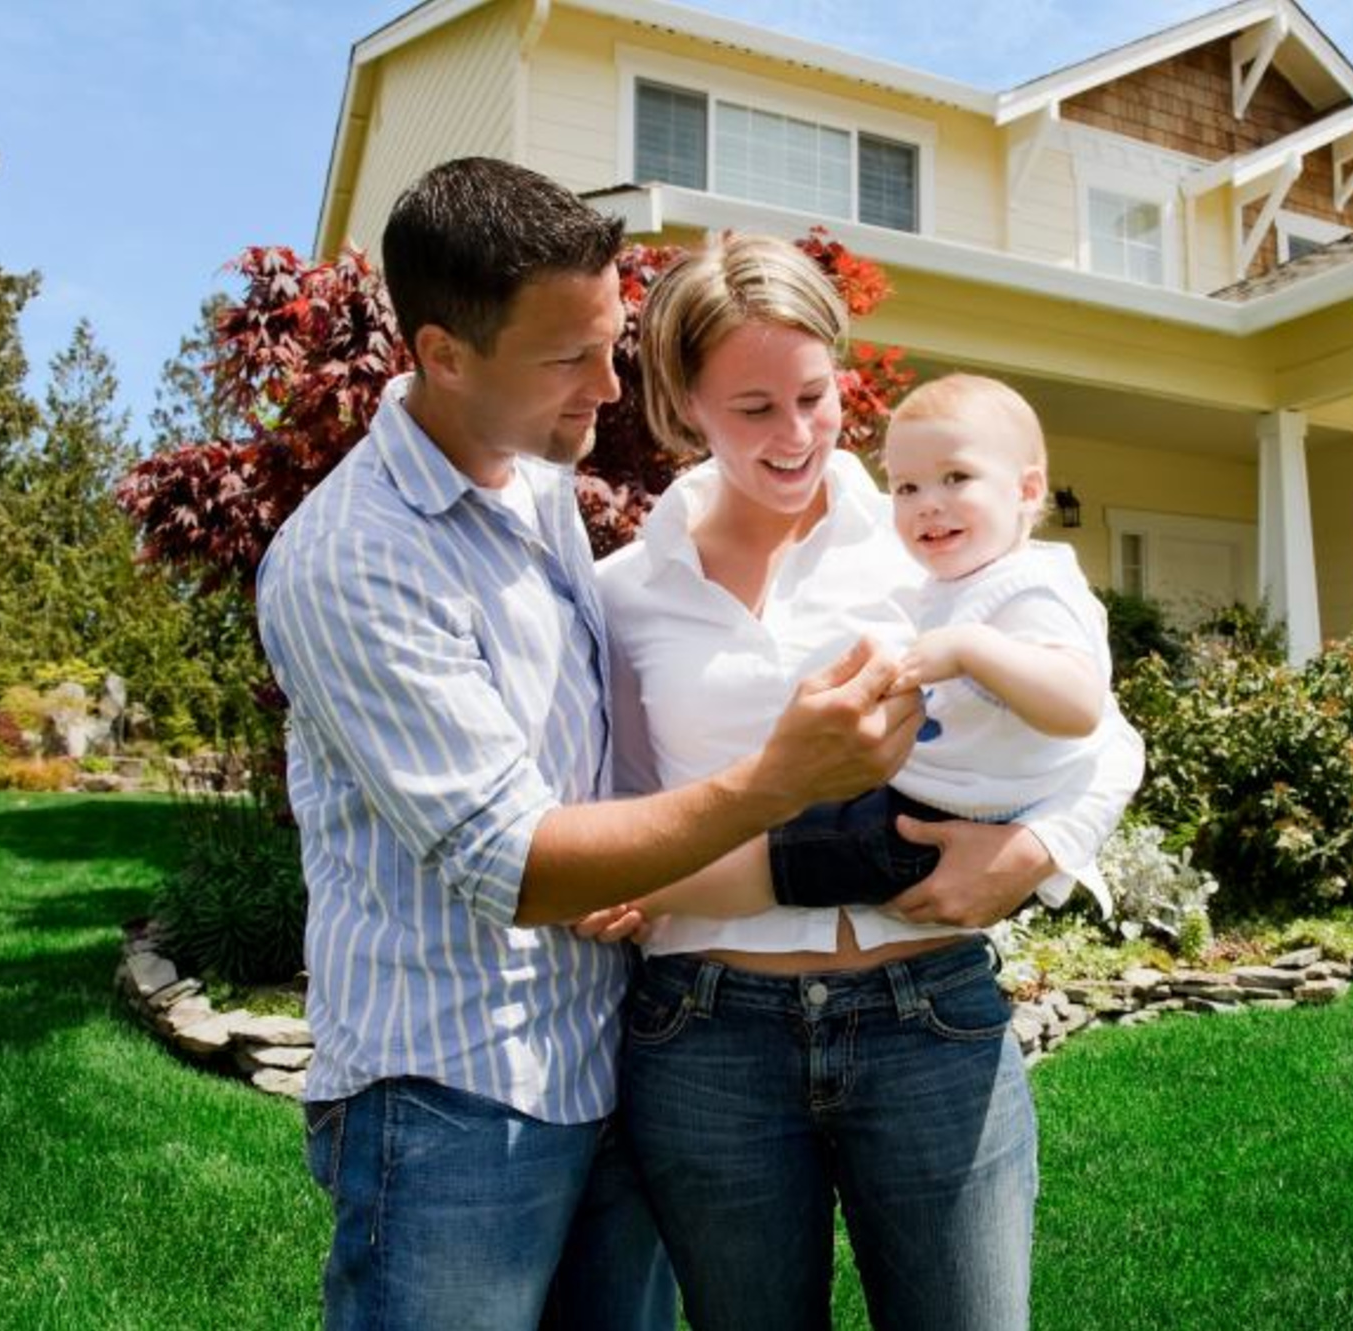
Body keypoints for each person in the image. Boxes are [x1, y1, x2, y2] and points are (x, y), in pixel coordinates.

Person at [255, 158, 928, 1331]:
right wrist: (778, 782)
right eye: (569, 358)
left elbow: (592, 750)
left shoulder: (532, 484)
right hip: (450, 1090)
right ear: (443, 353)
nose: (611, 386)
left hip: (604, 1057)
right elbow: (513, 861)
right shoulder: (352, 562)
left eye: (611, 341)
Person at [596, 234, 1143, 1331]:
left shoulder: (922, 530)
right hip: (705, 1036)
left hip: (924, 1014)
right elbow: (629, 801)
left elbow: (1106, 734)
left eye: (812, 394)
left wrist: (1034, 852)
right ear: (683, 403)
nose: (795, 435)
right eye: (751, 407)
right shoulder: (624, 591)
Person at [610, 372, 1120, 923]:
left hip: (948, 819)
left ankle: (640, 896)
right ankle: (638, 890)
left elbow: (1084, 710)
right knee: (794, 846)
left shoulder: (1028, 587)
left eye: (957, 478)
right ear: (691, 411)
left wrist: (972, 649)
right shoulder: (949, 578)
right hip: (924, 799)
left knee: (787, 859)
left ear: (1026, 490)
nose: (928, 505)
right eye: (907, 487)